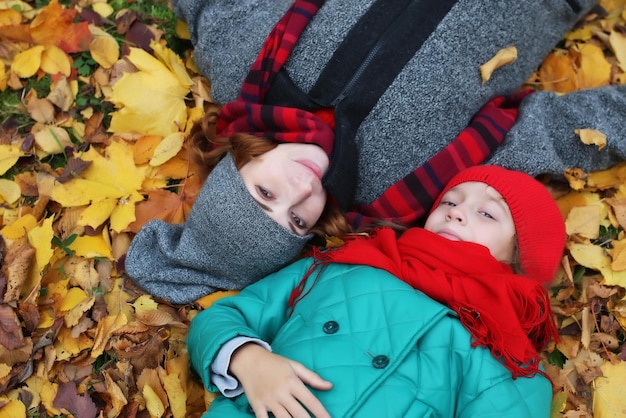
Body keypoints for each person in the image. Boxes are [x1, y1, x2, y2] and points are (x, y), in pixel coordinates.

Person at [125, 0, 626, 304]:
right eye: (298, 221)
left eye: (265, 192)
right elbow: (558, 132)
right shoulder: (408, 193)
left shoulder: (246, 67)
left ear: (238, 160)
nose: (301, 190)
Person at [186, 164, 566, 417]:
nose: (456, 211)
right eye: (450, 200)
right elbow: (225, 315)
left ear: (520, 258)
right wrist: (250, 361)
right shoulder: (348, 263)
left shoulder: (505, 355)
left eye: (488, 213)